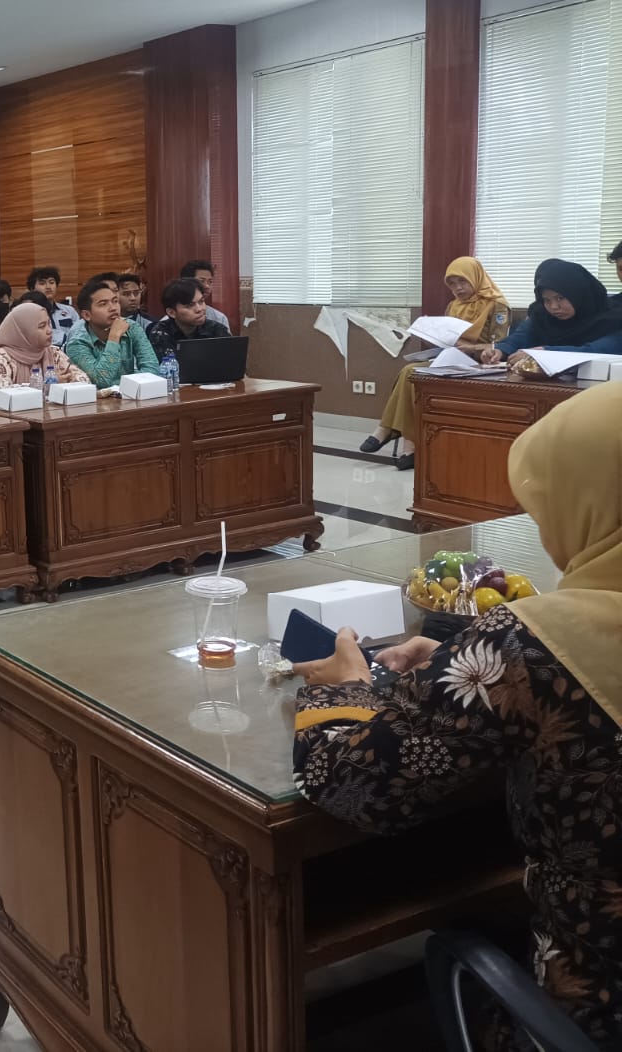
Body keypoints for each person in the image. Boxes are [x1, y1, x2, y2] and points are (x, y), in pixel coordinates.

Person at [292, 380, 622, 1048]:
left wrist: (344, 689)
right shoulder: (527, 647)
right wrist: (465, 660)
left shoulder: (533, 643)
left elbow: (357, 786)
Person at [365, 257, 511, 470]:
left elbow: (502, 345)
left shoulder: (496, 305)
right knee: (410, 372)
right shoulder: (454, 305)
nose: (457, 288)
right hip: (451, 359)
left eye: (462, 281)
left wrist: (472, 348)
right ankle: (407, 442)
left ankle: (392, 432)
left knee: (411, 373)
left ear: (476, 277)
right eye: (451, 283)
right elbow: (448, 337)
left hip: (480, 366)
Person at [481, 258, 622, 363]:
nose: (554, 307)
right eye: (546, 300)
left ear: (580, 295)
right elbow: (517, 339)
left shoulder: (613, 318)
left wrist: (545, 353)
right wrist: (499, 350)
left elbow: (596, 351)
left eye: (560, 298)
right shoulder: (541, 315)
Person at [64, 276, 159, 388]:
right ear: (87, 315)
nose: (113, 308)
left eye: (115, 301)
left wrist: (126, 385)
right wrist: (114, 338)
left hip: (132, 395)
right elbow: (100, 381)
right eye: (103, 304)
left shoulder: (132, 327)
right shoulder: (77, 343)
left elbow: (152, 369)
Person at [0, 300, 90, 393]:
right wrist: (47, 386)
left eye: (49, 324)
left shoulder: (53, 352)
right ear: (24, 331)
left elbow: (84, 381)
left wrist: (71, 382)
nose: (49, 331)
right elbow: (2, 392)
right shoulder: (2, 357)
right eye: (42, 326)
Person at [146, 278, 232, 363]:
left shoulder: (217, 329)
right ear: (171, 312)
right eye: (190, 305)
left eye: (201, 301)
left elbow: (231, 363)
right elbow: (169, 368)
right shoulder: (160, 333)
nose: (199, 309)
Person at [27, 266, 79, 344]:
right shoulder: (28, 312)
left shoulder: (69, 311)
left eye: (51, 282)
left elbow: (79, 335)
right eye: (42, 283)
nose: (48, 287)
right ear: (32, 288)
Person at [179, 260, 231, 332]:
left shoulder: (219, 318)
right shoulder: (167, 323)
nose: (207, 286)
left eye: (210, 282)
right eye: (201, 281)